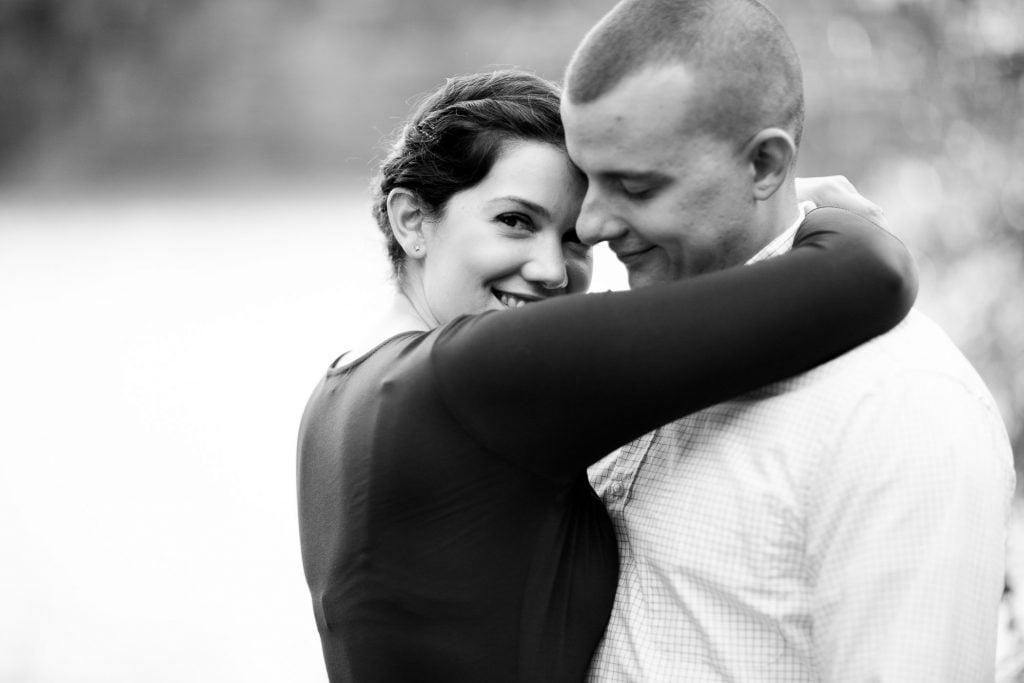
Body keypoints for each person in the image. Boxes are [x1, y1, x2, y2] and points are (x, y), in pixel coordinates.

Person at [296, 70, 917, 682]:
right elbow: (870, 275)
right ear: (411, 221)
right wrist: (798, 210)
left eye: (574, 239)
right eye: (515, 221)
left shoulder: (337, 396)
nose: (551, 271)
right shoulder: (476, 375)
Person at [559, 1, 1017, 680]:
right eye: (584, 179)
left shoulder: (899, 407)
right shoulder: (618, 349)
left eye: (635, 186)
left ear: (766, 165)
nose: (592, 225)